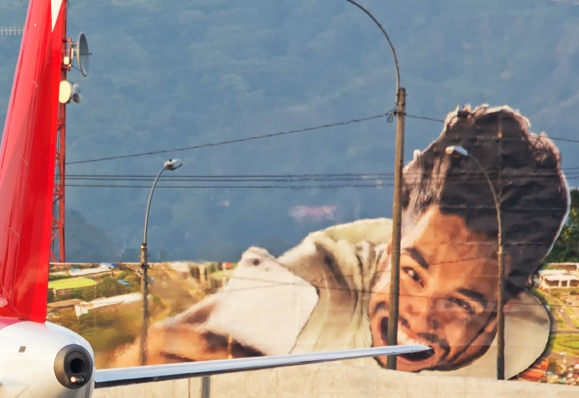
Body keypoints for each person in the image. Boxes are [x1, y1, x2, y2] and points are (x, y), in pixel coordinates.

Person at [136, 106, 568, 380]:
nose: (420, 315)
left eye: (461, 303)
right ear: (387, 249)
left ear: (507, 304)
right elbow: (164, 350)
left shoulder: (526, 338)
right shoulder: (304, 296)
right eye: (412, 274)